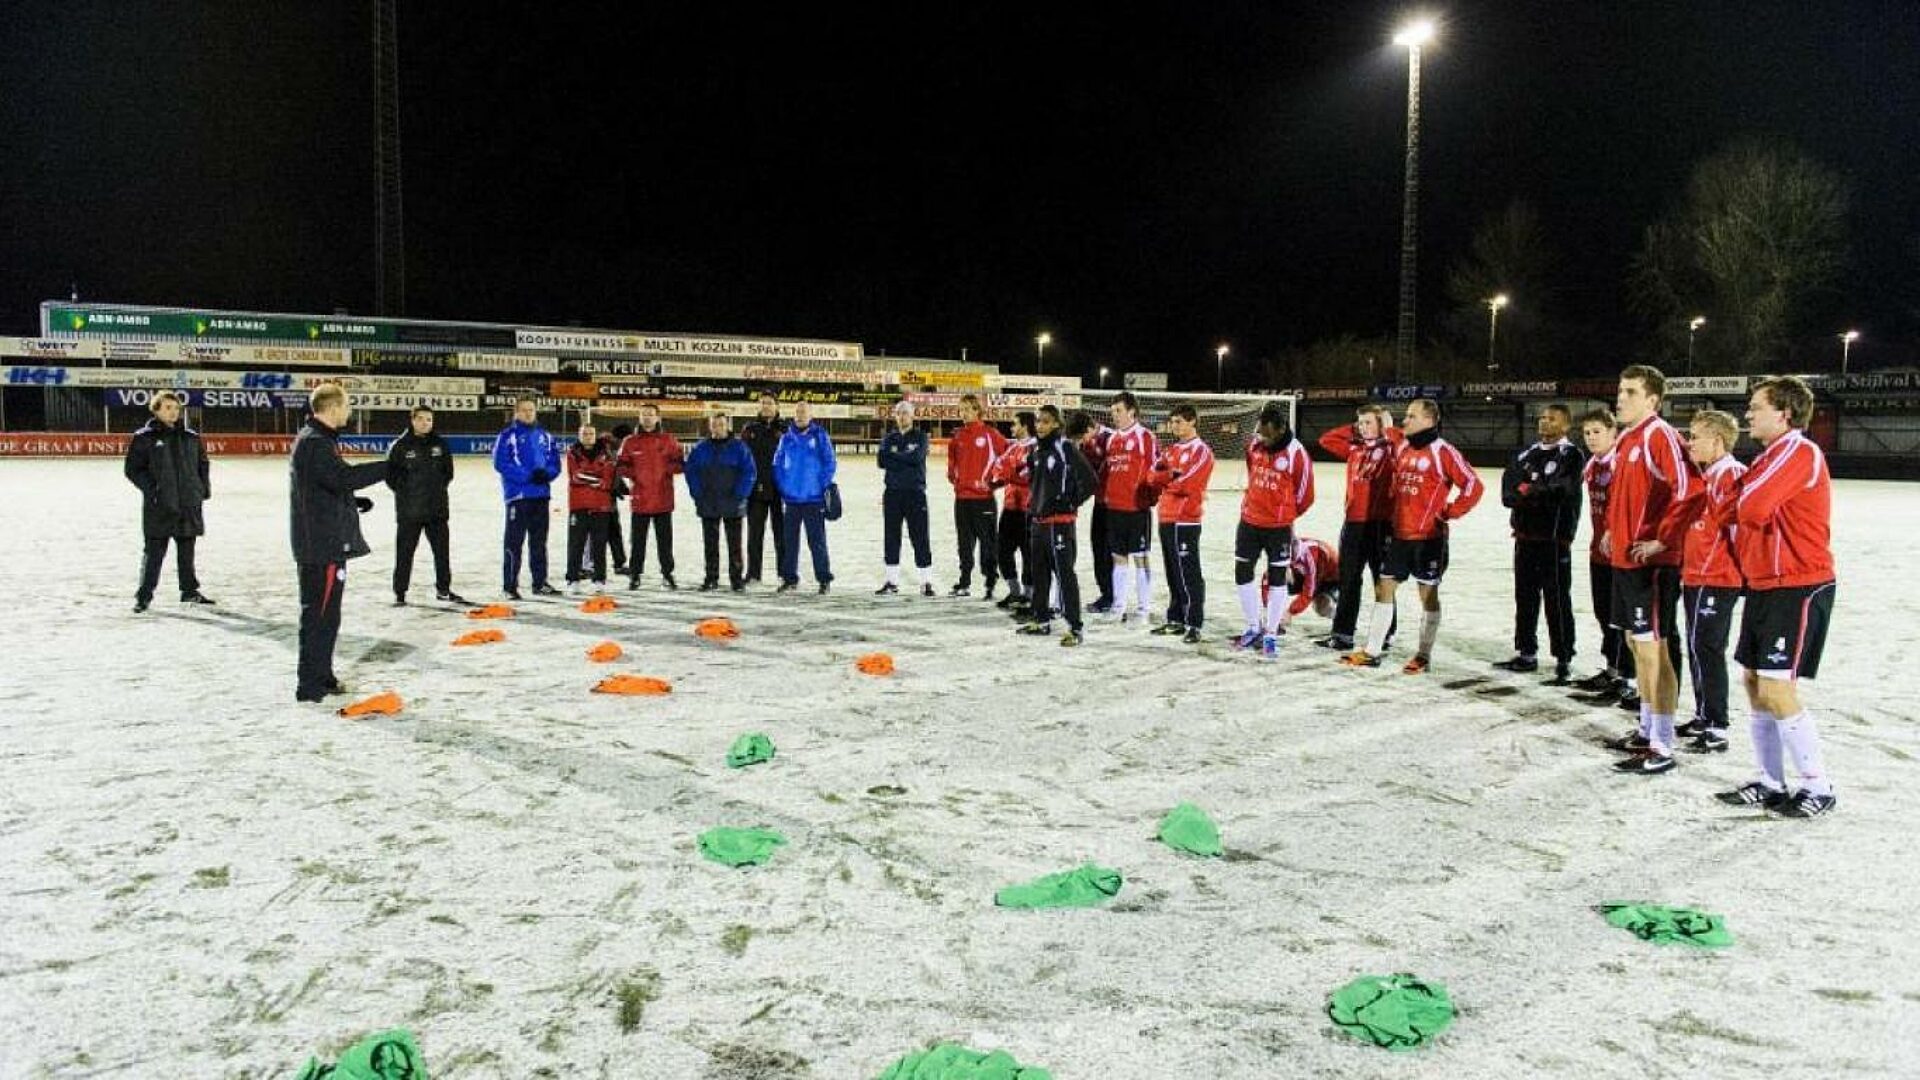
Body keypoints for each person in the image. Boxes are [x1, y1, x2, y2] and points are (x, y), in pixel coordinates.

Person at [1714, 376, 1837, 817]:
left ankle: (1818, 785)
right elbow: (1727, 507)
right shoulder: (1769, 458)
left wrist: (1743, 495)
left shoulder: (1799, 451)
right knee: (1752, 681)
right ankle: (1769, 780)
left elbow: (1752, 508)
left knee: (1776, 685)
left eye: (1755, 407)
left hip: (1799, 583)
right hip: (1765, 582)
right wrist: (1742, 496)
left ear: (1783, 413)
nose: (1748, 415)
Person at [1340, 398, 1483, 674]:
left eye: (1411, 416)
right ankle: (1372, 651)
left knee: (1427, 595)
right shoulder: (1403, 446)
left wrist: (1450, 512)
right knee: (1384, 587)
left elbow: (1473, 485)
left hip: (1429, 538)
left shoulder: (1443, 451)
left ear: (1429, 421)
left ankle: (1423, 655)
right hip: (1399, 535)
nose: (1405, 420)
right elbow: (1384, 436)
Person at [1603, 364, 1698, 775]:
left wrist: (1663, 540)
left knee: (1653, 650)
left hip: (1652, 564)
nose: (1620, 398)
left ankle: (1663, 745)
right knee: (1635, 645)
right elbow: (1627, 494)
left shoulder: (1660, 434)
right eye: (1620, 390)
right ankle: (1646, 728)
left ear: (1653, 400)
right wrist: (1611, 528)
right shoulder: (1627, 438)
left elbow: (1690, 490)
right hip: (1626, 559)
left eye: (1630, 392)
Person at [290, 383, 388, 703]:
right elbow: (343, 477)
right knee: (319, 615)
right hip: (322, 546)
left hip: (324, 540)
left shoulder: (318, 440)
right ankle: (310, 684)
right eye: (346, 406)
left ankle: (322, 675)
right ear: (332, 408)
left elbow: (324, 486)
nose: (349, 411)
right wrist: (389, 467)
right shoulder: (316, 443)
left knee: (327, 615)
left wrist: (351, 501)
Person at [1662, 408, 1747, 754]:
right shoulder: (1705, 476)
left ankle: (1718, 726)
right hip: (1696, 574)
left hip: (1718, 578)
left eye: (1695, 436)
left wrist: (1742, 575)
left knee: (1709, 649)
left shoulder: (1732, 476)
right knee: (1698, 647)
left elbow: (1739, 531)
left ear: (1718, 439)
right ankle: (1703, 715)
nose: (1689, 442)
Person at [1493, 404, 1585, 681]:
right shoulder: (1525, 454)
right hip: (1525, 538)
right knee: (1525, 598)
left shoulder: (1572, 454)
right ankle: (1526, 653)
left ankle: (1563, 658)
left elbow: (1561, 490)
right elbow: (1508, 493)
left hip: (1555, 540)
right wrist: (1535, 492)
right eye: (1542, 418)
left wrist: (1530, 491)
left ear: (1566, 425)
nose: (1544, 423)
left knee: (1557, 601)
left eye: (1552, 419)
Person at [1316, 403, 1404, 651]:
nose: (1363, 428)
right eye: (1360, 423)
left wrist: (1388, 429)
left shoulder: (1394, 449)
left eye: (1368, 422)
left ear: (1381, 424)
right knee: (1349, 580)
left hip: (1381, 524)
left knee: (1382, 580)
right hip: (1354, 523)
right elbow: (1326, 440)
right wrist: (1353, 427)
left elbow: (1402, 443)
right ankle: (1343, 635)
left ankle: (1386, 633)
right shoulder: (1354, 449)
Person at [1233, 400, 1315, 658]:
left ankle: (1270, 632)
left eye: (1266, 434)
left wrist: (1284, 514)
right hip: (1249, 521)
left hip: (1278, 528)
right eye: (1260, 432)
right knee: (1242, 571)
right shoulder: (1254, 445)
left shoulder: (1296, 453)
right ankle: (1252, 627)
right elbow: (1252, 471)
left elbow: (1305, 495)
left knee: (1278, 577)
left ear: (1280, 430)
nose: (1262, 439)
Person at [124, 389, 214, 612]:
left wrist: (202, 489)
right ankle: (144, 596)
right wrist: (153, 490)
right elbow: (133, 470)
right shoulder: (144, 438)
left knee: (187, 552)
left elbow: (203, 464)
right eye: (168, 408)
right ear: (156, 410)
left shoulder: (190, 437)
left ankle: (189, 591)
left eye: (176, 408)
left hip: (188, 503)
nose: (173, 412)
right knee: (154, 552)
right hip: (160, 506)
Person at [1018, 404, 1097, 646]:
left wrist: (1070, 502)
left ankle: (1075, 627)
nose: (1040, 426)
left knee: (1065, 576)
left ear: (1056, 425)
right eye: (1038, 421)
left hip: (1060, 525)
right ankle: (1041, 620)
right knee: (1039, 575)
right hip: (1038, 523)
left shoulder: (1065, 448)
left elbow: (1091, 481)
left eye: (1045, 421)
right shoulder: (1036, 451)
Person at [1572, 409, 1637, 702]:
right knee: (1604, 614)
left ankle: (1628, 677)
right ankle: (1612, 669)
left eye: (1597, 431)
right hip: (1599, 552)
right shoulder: (1593, 465)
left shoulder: (1621, 463)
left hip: (1620, 555)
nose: (1591, 438)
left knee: (1621, 619)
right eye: (1587, 433)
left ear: (1614, 432)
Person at [1147, 403, 1215, 642]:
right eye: (1172, 421)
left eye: (1179, 421)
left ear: (1192, 422)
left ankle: (1194, 623)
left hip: (1186, 519)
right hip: (1165, 515)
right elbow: (1151, 476)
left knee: (1190, 573)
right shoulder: (1170, 450)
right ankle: (1175, 619)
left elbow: (1188, 484)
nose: (1174, 426)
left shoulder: (1202, 451)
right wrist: (1168, 477)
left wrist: (1168, 480)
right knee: (1172, 570)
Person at [385, 405, 464, 606]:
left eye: (429, 419)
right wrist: (409, 493)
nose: (425, 423)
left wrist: (435, 491)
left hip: (436, 510)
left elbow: (448, 473)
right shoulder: (400, 446)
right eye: (421, 419)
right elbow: (391, 477)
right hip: (409, 512)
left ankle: (443, 589)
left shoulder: (441, 445)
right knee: (404, 553)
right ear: (412, 421)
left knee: (442, 553)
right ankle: (400, 592)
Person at [492, 397, 563, 600]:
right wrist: (527, 476)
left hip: (541, 496)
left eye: (531, 410)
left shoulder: (546, 436)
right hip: (518, 496)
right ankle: (509, 586)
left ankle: (540, 583)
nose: (528, 413)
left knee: (539, 542)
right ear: (516, 413)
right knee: (514, 542)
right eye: (523, 410)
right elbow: (500, 463)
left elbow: (555, 463)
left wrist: (547, 474)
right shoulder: (507, 435)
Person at [1101, 392, 1159, 623]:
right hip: (1114, 508)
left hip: (1137, 509)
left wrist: (1149, 497)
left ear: (1132, 411)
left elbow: (1156, 468)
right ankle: (1119, 606)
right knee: (1118, 558)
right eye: (1113, 411)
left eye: (1119, 410)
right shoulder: (1112, 439)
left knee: (1141, 558)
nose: (1114, 415)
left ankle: (1144, 608)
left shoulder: (1145, 436)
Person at [684, 411, 757, 592]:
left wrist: (741, 494)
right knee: (710, 544)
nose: (718, 428)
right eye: (715, 424)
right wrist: (697, 493)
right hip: (708, 502)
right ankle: (711, 577)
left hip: (732, 502)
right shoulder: (701, 448)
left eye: (721, 424)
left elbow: (749, 472)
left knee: (735, 545)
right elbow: (691, 472)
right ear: (710, 426)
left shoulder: (739, 448)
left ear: (728, 426)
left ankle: (736, 579)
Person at [617, 402, 685, 590]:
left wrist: (666, 470)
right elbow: (621, 465)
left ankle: (667, 574)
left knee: (665, 541)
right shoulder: (630, 441)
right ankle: (635, 574)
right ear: (640, 417)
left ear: (657, 418)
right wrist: (636, 475)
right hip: (640, 499)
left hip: (663, 498)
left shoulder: (668, 440)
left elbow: (679, 463)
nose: (647, 418)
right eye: (644, 414)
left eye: (650, 414)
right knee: (637, 541)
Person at [947, 393, 1009, 598]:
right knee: (964, 543)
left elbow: (1008, 458)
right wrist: (956, 480)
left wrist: (995, 483)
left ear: (977, 410)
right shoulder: (957, 436)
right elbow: (952, 465)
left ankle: (990, 581)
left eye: (967, 409)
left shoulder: (991, 434)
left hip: (983, 499)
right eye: (961, 409)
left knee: (988, 543)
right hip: (962, 500)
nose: (963, 413)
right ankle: (964, 581)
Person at [773, 400, 837, 593]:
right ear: (794, 415)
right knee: (789, 542)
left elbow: (830, 462)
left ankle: (823, 578)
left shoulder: (819, 436)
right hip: (792, 499)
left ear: (811, 415)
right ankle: (789, 578)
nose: (801, 415)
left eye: (804, 412)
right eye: (798, 412)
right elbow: (777, 465)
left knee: (817, 541)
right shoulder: (786, 438)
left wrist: (821, 485)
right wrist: (784, 487)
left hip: (813, 499)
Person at [876, 399, 936, 596]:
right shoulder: (888, 438)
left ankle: (926, 582)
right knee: (891, 537)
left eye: (905, 413)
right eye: (899, 413)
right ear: (895, 416)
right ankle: (891, 582)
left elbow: (916, 458)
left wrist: (895, 456)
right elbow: (881, 461)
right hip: (892, 494)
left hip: (915, 493)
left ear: (912, 416)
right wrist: (904, 456)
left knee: (920, 537)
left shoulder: (920, 437)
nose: (902, 416)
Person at [1068, 410, 1117, 613]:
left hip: (1115, 505)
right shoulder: (1085, 443)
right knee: (1098, 549)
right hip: (1099, 503)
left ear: (1090, 428)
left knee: (1111, 552)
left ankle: (1113, 597)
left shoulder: (1111, 439)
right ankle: (1106, 594)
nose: (1081, 441)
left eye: (1082, 436)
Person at [739, 393, 787, 584]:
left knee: (782, 535)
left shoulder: (786, 429)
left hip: (780, 491)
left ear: (777, 406)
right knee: (754, 535)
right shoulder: (749, 429)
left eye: (770, 403)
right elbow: (742, 459)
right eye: (763, 403)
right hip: (756, 491)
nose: (766, 406)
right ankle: (753, 574)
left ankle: (785, 573)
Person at [565, 421, 617, 593]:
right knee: (575, 545)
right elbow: (576, 476)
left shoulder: (606, 454)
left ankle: (600, 579)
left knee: (599, 545)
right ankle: (573, 579)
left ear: (595, 436)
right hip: (578, 505)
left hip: (601, 506)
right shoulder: (572, 453)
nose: (588, 437)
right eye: (584, 434)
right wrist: (597, 478)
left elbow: (607, 479)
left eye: (590, 434)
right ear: (579, 436)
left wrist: (594, 478)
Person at [1286, 535, 1341, 624]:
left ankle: (1342, 621)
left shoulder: (1312, 555)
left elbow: (1309, 592)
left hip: (1331, 577)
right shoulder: (1283, 550)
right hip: (1309, 571)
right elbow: (1269, 578)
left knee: (1321, 607)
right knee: (1281, 581)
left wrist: (1290, 612)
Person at [604, 422, 633, 575]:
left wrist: (622, 488)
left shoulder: (615, 450)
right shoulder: (604, 449)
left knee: (614, 530)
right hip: (598, 499)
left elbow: (616, 474)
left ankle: (619, 563)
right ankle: (588, 565)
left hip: (610, 499)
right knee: (596, 532)